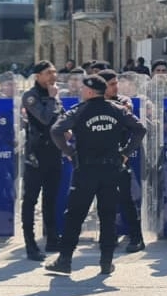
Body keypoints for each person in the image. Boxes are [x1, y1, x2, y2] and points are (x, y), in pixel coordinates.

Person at [44, 74, 147, 276]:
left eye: (84, 88)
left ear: (90, 91)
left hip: (86, 171)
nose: (81, 91)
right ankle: (106, 262)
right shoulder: (117, 109)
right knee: (107, 216)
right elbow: (140, 129)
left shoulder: (79, 111)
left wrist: (70, 152)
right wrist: (125, 152)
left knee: (75, 216)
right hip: (111, 170)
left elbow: (56, 130)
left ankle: (65, 260)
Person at [19, 61, 65, 261]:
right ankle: (30, 243)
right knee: (31, 200)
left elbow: (61, 116)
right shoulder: (31, 96)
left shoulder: (54, 93)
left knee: (51, 198)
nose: (53, 76)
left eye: (54, 72)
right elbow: (45, 119)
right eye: (48, 73)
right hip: (36, 154)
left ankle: (52, 238)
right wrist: (53, 98)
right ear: (38, 76)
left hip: (53, 152)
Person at [102, 70, 146, 253]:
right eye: (111, 84)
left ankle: (136, 238)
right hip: (98, 159)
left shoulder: (123, 102)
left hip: (118, 157)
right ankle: (109, 236)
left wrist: (126, 152)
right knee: (104, 200)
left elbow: (138, 128)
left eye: (116, 83)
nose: (116, 87)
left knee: (126, 199)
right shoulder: (93, 103)